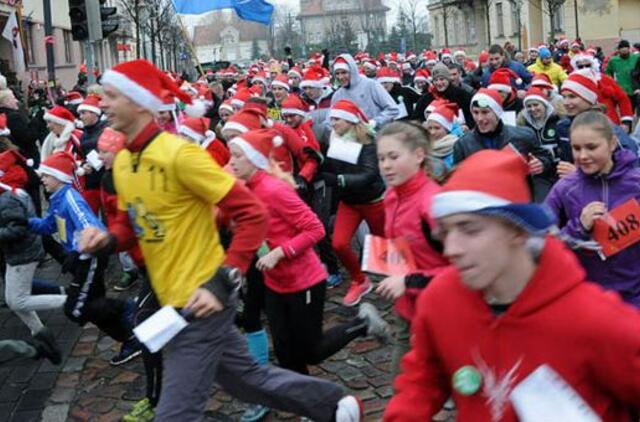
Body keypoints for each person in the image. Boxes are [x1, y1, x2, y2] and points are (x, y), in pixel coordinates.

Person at [80, 59, 363, 422]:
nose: (103, 103)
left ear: (139, 102)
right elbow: (131, 226)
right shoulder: (122, 164)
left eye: (112, 96)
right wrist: (104, 240)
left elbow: (251, 213)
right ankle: (334, 404)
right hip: (173, 302)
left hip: (202, 300)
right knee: (246, 381)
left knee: (174, 414)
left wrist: (221, 280)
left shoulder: (180, 155)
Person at [384, 148, 640, 421]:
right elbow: (421, 381)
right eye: (445, 232)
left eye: (470, 229)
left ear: (517, 230)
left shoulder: (597, 319)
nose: (451, 248)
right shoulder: (439, 300)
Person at [229, 128, 389, 374]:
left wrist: (279, 252)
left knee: (311, 351)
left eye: (237, 156)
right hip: (275, 282)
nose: (231, 162)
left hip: (304, 281)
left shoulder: (274, 190)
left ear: (254, 159)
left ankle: (362, 323)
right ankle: (307, 403)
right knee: (285, 353)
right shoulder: (243, 190)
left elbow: (315, 229)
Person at [29, 152, 140, 365]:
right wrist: (25, 222)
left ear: (59, 177)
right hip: (79, 258)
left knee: (77, 309)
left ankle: (125, 306)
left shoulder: (70, 199)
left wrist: (80, 251)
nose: (42, 179)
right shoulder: (57, 198)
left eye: (46, 176)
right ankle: (130, 339)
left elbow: (93, 227)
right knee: (92, 309)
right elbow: (49, 225)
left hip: (88, 258)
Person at [374, 122, 449, 376]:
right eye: (381, 158)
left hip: (442, 312)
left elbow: (461, 271)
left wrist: (408, 280)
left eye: (393, 157)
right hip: (407, 308)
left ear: (419, 155)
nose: (385, 165)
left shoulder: (434, 205)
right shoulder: (391, 196)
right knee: (402, 384)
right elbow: (398, 246)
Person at [546, 111, 640, 307]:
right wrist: (578, 227)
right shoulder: (564, 189)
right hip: (590, 302)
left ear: (612, 143)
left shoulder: (636, 182)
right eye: (576, 148)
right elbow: (543, 245)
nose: (583, 156)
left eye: (591, 147)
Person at [319, 99, 386, 307]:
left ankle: (397, 285)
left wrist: (339, 180)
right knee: (339, 243)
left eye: (337, 119)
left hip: (373, 201)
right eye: (331, 119)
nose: (333, 123)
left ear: (349, 121)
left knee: (385, 244)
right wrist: (318, 159)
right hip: (349, 202)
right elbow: (329, 166)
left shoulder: (368, 142)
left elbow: (369, 174)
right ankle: (360, 280)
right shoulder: (334, 139)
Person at [0, 149, 66, 336]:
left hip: (23, 253)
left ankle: (69, 300)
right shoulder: (11, 193)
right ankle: (40, 332)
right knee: (15, 297)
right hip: (20, 252)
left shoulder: (7, 199)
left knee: (16, 301)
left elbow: (18, 229)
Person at [453, 88, 554, 179]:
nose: (480, 118)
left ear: (497, 113)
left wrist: (541, 163)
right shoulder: (463, 144)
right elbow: (458, 179)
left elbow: (546, 158)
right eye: (475, 112)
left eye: (485, 112)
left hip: (516, 195)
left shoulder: (523, 136)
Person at [556, 70, 638, 173]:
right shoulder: (562, 127)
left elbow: (630, 171)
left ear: (588, 98)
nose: (566, 102)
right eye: (564, 97)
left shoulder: (608, 129)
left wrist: (578, 175)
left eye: (572, 97)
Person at [328, 53, 399, 129]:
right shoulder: (337, 95)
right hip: (350, 139)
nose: (340, 77)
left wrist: (375, 122)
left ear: (352, 71)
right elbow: (330, 120)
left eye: (344, 72)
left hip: (377, 137)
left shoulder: (370, 85)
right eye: (337, 74)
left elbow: (393, 109)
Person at [517, 87, 561, 201]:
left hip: (559, 170)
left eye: (536, 105)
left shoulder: (558, 120)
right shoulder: (523, 126)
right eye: (529, 106)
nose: (533, 109)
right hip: (539, 174)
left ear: (544, 104)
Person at [572, 54, 634, 130]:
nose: (584, 68)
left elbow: (623, 98)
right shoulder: (573, 83)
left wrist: (626, 121)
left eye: (587, 65)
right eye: (580, 67)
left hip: (610, 124)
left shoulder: (605, 79)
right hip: (585, 125)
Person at [412, 63, 474, 128]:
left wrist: (467, 127)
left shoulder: (462, 95)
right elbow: (416, 120)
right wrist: (422, 124)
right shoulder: (425, 99)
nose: (439, 83)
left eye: (442, 79)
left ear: (448, 79)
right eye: (435, 80)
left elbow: (472, 117)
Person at [76, 94, 107, 215]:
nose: (81, 117)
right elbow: (83, 156)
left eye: (84, 113)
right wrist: (85, 165)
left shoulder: (106, 130)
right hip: (91, 183)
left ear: (94, 113)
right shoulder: (84, 135)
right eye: (80, 113)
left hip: (105, 182)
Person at [422, 103, 459, 183]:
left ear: (446, 129)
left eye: (437, 128)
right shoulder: (423, 148)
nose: (432, 132)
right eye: (430, 128)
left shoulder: (457, 146)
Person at [605, 40, 640, 112]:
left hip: (635, 89)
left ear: (629, 49)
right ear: (618, 50)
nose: (624, 51)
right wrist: (611, 84)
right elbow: (608, 72)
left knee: (635, 110)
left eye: (626, 48)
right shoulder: (613, 60)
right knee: (625, 110)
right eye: (622, 49)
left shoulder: (636, 57)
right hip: (621, 89)